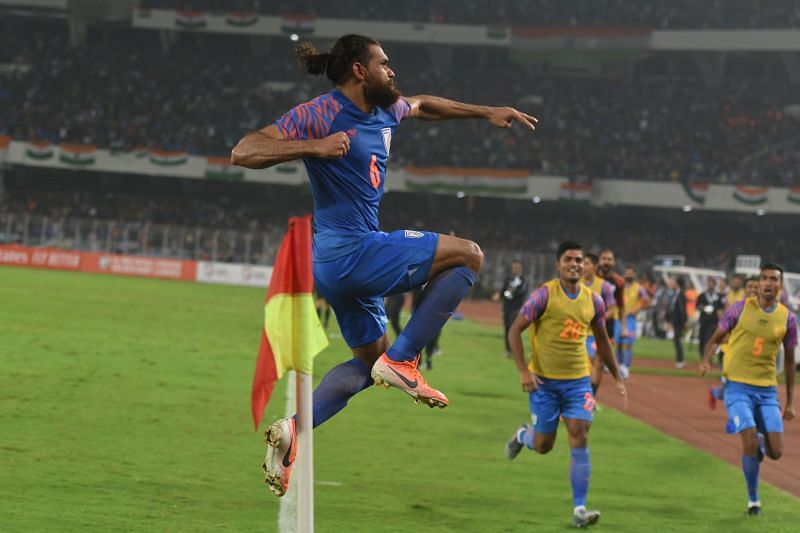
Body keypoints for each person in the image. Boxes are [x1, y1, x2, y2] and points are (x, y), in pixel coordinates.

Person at [231, 33, 538, 497]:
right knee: (469, 255)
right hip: (350, 251)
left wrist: (485, 111)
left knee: (366, 366)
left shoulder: (386, 108)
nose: (392, 71)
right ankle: (405, 359)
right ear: (359, 69)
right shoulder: (320, 114)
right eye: (384, 63)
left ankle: (293, 431)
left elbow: (425, 105)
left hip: (341, 265)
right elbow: (244, 150)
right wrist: (313, 148)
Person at [504, 241, 626, 528]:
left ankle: (580, 509)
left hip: (577, 383)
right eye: (569, 259)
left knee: (579, 432)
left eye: (579, 260)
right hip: (543, 383)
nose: (575, 264)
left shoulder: (594, 301)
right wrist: (523, 371)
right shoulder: (543, 295)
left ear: (585, 266)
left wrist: (617, 376)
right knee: (544, 445)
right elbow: (514, 331)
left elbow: (603, 342)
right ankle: (524, 435)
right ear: (558, 265)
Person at [698, 264, 796, 516]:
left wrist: (789, 402)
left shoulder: (788, 318)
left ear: (780, 285)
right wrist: (706, 359)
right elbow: (717, 336)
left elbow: (789, 362)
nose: (768, 283)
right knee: (748, 437)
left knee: (776, 452)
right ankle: (754, 501)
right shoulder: (739, 309)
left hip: (767, 391)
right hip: (737, 387)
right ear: (759, 283)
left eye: (774, 279)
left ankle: (762, 447)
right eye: (764, 278)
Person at [708, 276, 760, 408]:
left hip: (750, 357)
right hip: (729, 355)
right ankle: (716, 394)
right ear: (745, 290)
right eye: (750, 287)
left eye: (756, 287)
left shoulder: (764, 311)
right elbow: (720, 336)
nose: (753, 290)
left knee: (749, 389)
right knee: (731, 390)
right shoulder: (736, 309)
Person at [582, 252, 616, 397]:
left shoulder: (604, 287)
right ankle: (582, 395)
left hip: (596, 333)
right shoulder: (576, 283)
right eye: (582, 263)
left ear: (595, 266)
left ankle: (591, 397)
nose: (584, 266)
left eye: (587, 263)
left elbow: (612, 310)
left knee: (597, 363)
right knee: (584, 364)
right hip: (578, 331)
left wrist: (597, 319)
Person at [493, 259, 529, 357]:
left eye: (517, 267)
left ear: (520, 267)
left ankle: (515, 350)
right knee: (507, 328)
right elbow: (504, 290)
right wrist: (499, 295)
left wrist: (511, 291)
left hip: (517, 308)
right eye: (514, 267)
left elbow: (522, 292)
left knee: (515, 328)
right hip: (507, 307)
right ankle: (508, 350)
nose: (515, 269)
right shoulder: (508, 278)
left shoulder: (524, 279)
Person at [619, 265, 649, 378]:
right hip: (619, 318)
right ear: (624, 274)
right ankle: (620, 365)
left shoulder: (639, 288)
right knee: (619, 344)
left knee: (628, 344)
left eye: (631, 273)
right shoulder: (620, 286)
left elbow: (646, 301)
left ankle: (626, 368)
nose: (629, 275)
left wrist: (636, 309)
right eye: (627, 273)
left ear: (634, 275)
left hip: (630, 319)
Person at [597, 249, 626, 354]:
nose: (606, 262)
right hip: (589, 322)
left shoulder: (619, 281)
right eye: (603, 259)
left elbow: (621, 306)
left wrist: (623, 328)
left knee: (602, 359)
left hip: (608, 324)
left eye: (609, 259)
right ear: (598, 261)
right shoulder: (590, 277)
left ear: (613, 262)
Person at [697, 278, 725, 358]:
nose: (710, 286)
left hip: (713, 321)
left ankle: (707, 356)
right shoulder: (702, 295)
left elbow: (720, 308)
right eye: (709, 284)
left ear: (714, 285)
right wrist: (705, 308)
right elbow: (698, 306)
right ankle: (702, 355)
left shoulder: (717, 296)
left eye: (712, 284)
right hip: (703, 320)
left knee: (709, 338)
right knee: (702, 338)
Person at [669, 278, 688, 368]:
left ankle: (680, 360)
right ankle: (680, 360)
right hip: (676, 321)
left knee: (677, 340)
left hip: (679, 322)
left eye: (673, 282)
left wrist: (684, 321)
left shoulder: (680, 295)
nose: (671, 284)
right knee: (676, 340)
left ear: (677, 284)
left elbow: (682, 309)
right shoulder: (675, 294)